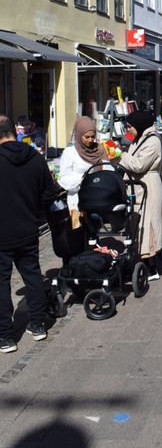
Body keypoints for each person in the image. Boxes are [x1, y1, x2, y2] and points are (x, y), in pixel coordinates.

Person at [0, 115, 57, 352]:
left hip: (2, 234)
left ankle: (5, 336)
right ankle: (38, 325)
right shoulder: (35, 156)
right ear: (15, 131)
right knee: (33, 276)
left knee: (1, 283)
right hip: (28, 228)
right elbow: (49, 194)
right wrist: (31, 208)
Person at [120, 111, 162, 280]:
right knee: (140, 226)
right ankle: (148, 262)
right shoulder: (140, 138)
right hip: (139, 187)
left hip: (149, 187)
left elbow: (139, 165)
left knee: (149, 226)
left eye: (130, 127)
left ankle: (152, 269)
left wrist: (123, 156)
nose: (128, 130)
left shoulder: (152, 141)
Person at [58, 116, 107, 228]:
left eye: (93, 137)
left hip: (97, 200)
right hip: (78, 200)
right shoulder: (70, 153)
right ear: (79, 135)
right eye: (86, 137)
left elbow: (108, 170)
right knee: (79, 234)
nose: (90, 140)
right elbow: (63, 179)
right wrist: (81, 180)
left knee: (95, 235)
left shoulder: (99, 149)